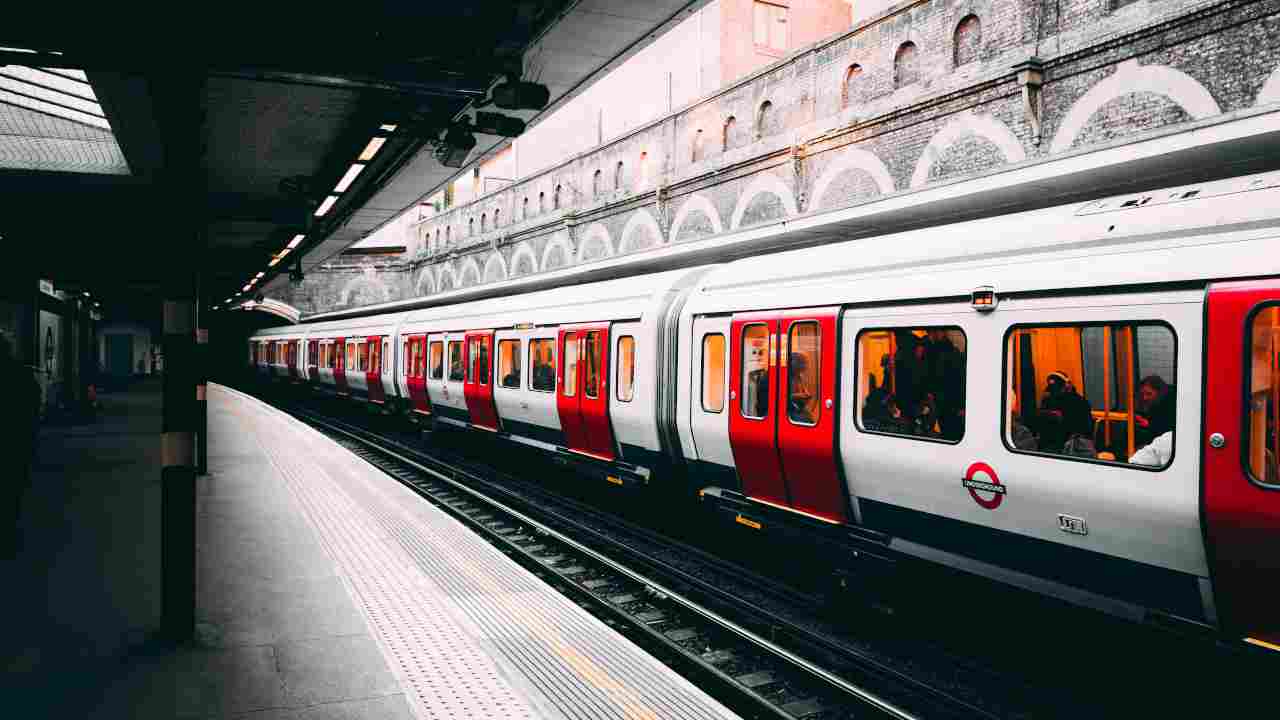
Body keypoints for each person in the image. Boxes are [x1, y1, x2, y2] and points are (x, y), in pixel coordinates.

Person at [0, 334, 40, 556]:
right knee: (12, 489)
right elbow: (33, 404)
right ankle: (7, 534)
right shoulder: (21, 373)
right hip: (16, 443)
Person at [1035, 371, 1093, 453]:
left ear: (1067, 385)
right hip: (1050, 442)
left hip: (1070, 443)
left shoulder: (1079, 402)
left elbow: (1082, 429)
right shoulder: (1047, 400)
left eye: (1057, 388)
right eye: (1052, 389)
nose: (1054, 392)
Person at [925, 329, 966, 440]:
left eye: (933, 333)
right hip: (949, 401)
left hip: (947, 402)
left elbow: (955, 379)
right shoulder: (951, 351)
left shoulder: (940, 352)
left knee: (949, 432)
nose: (931, 336)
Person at [1136, 375, 1176, 447]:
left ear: (1160, 392)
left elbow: (1167, 430)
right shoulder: (1155, 402)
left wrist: (1148, 424)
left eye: (1149, 394)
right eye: (1142, 394)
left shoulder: (1171, 403)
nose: (1144, 398)